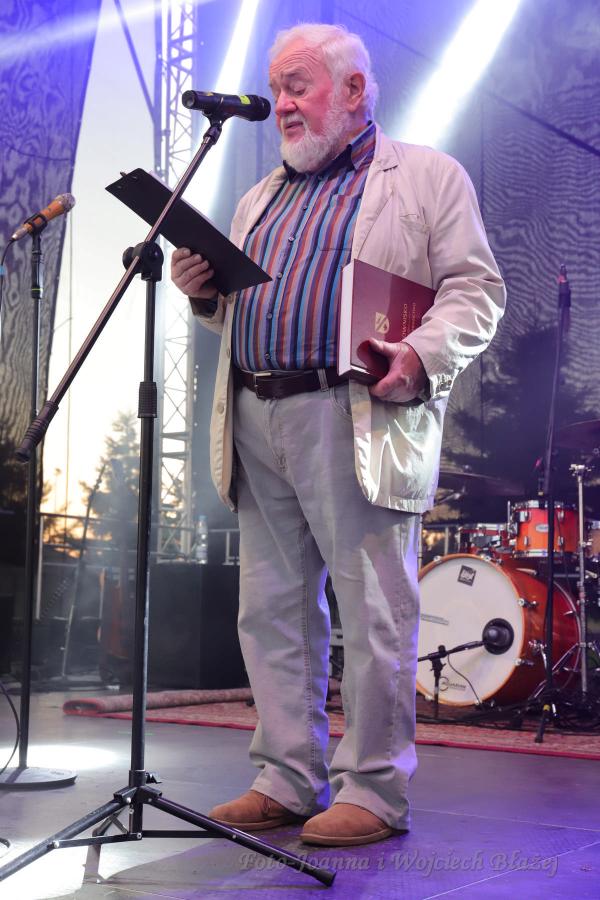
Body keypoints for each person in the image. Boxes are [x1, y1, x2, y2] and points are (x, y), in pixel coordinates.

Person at [171, 22, 506, 847]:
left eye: (298, 86)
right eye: (276, 89)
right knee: (272, 612)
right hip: (256, 413)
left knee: (373, 609)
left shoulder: (426, 177)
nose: (281, 104)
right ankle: (286, 778)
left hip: (354, 412)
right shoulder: (259, 197)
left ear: (354, 91)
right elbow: (241, 311)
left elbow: (477, 292)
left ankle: (375, 789)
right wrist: (204, 294)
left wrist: (419, 356)